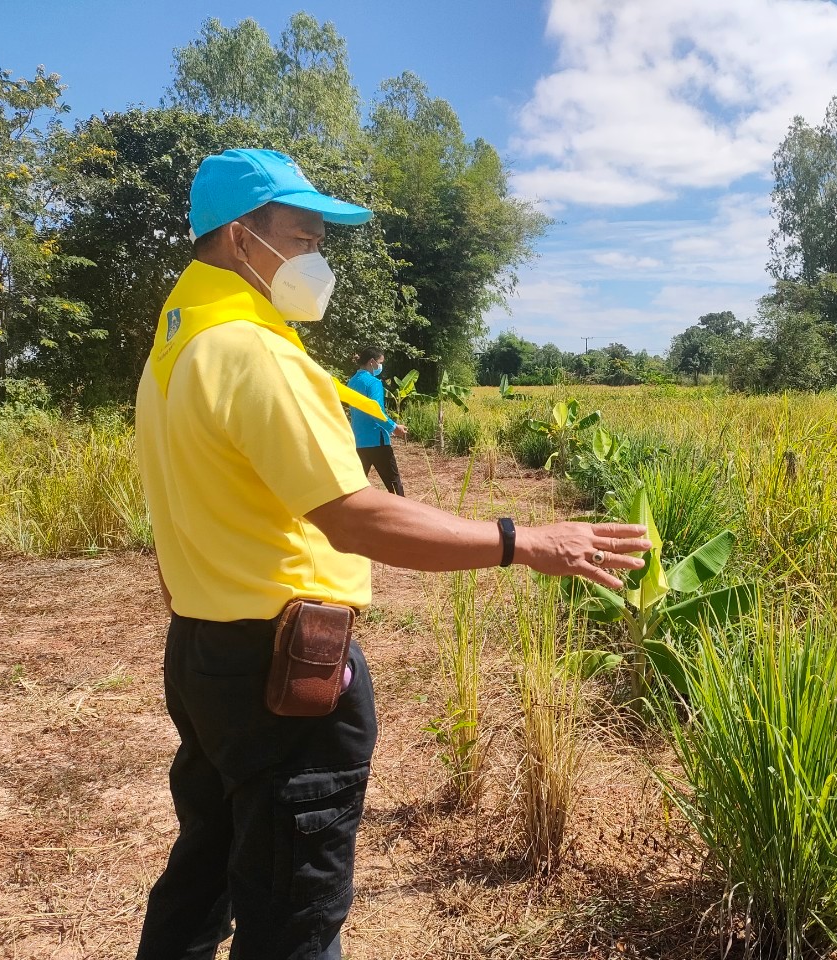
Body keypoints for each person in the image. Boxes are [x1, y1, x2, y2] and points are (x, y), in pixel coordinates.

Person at [133, 148, 650, 960]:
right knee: (294, 920)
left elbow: (181, 515)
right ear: (240, 240)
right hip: (284, 673)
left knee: (204, 873)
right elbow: (358, 517)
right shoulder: (253, 353)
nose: (317, 261)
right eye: (304, 239)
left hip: (203, 651)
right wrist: (525, 541)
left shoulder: (172, 349)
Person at [345, 345, 407, 495]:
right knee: (394, 485)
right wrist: (394, 428)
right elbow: (376, 411)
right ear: (372, 362)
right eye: (380, 362)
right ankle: (401, 515)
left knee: (355, 487)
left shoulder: (351, 382)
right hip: (377, 441)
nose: (381, 366)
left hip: (358, 441)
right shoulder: (373, 382)